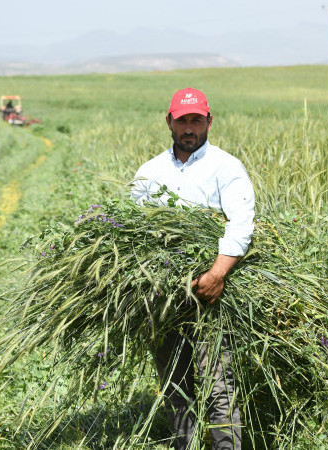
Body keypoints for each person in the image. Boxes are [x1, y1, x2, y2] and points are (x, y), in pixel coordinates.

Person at [131, 87, 255, 450]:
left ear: (209, 121)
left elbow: (241, 223)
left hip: (212, 295)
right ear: (169, 121)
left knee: (219, 385)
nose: (189, 128)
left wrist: (216, 275)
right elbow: (134, 231)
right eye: (182, 120)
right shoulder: (149, 172)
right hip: (164, 296)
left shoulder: (226, 167)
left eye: (196, 120)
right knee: (174, 383)